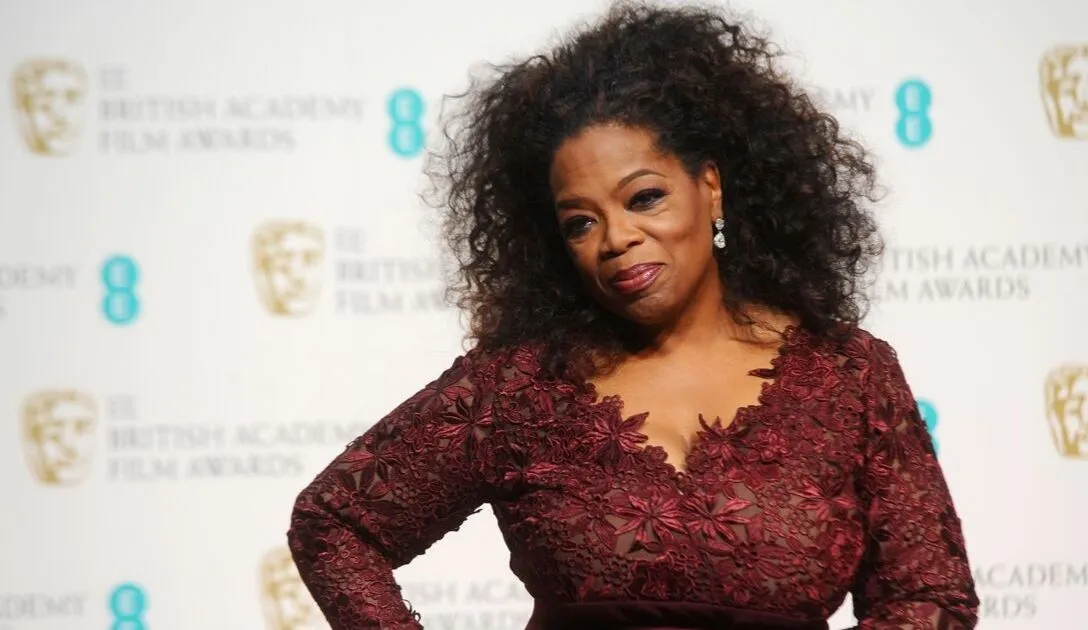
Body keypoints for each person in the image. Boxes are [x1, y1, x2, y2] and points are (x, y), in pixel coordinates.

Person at [286, 1, 979, 628]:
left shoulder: (849, 375)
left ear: (710, 188)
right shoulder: (520, 390)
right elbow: (335, 524)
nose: (616, 239)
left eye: (643, 198)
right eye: (581, 222)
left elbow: (930, 596)